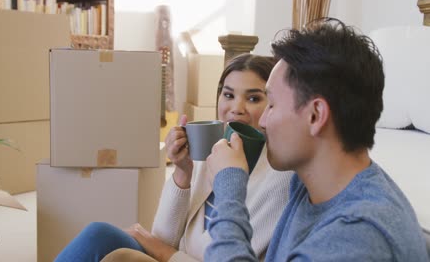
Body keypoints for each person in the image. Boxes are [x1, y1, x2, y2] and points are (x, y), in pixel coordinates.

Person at [204, 18, 429, 261]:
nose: (262, 122)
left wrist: (228, 188)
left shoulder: (357, 237)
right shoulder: (312, 184)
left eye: (272, 104)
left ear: (316, 115)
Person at [54, 53, 294, 262]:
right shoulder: (212, 151)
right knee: (99, 235)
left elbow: (222, 256)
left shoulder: (280, 178)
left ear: (271, 106)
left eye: (253, 98)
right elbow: (164, 237)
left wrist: (160, 250)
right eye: (229, 95)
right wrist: (183, 172)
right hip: (172, 256)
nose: (236, 107)